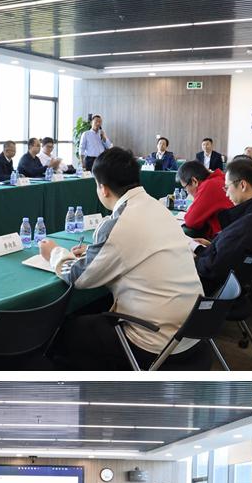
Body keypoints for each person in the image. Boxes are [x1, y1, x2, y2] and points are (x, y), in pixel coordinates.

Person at [42, 147, 205, 370]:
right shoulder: (157, 207)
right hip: (193, 332)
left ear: (103, 188)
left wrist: (54, 253)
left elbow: (78, 278)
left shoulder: (119, 222)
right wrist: (95, 251)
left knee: (65, 331)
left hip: (155, 342)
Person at [190, 158, 252, 294]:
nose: (226, 193)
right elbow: (233, 251)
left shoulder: (249, 225)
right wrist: (212, 245)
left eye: (227, 187)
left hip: (207, 286)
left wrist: (193, 257)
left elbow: (212, 268)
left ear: (242, 185)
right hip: (238, 280)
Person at [176, 160, 232, 239]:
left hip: (224, 238)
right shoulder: (219, 178)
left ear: (194, 181)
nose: (187, 191)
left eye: (185, 187)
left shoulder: (210, 185)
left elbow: (190, 221)